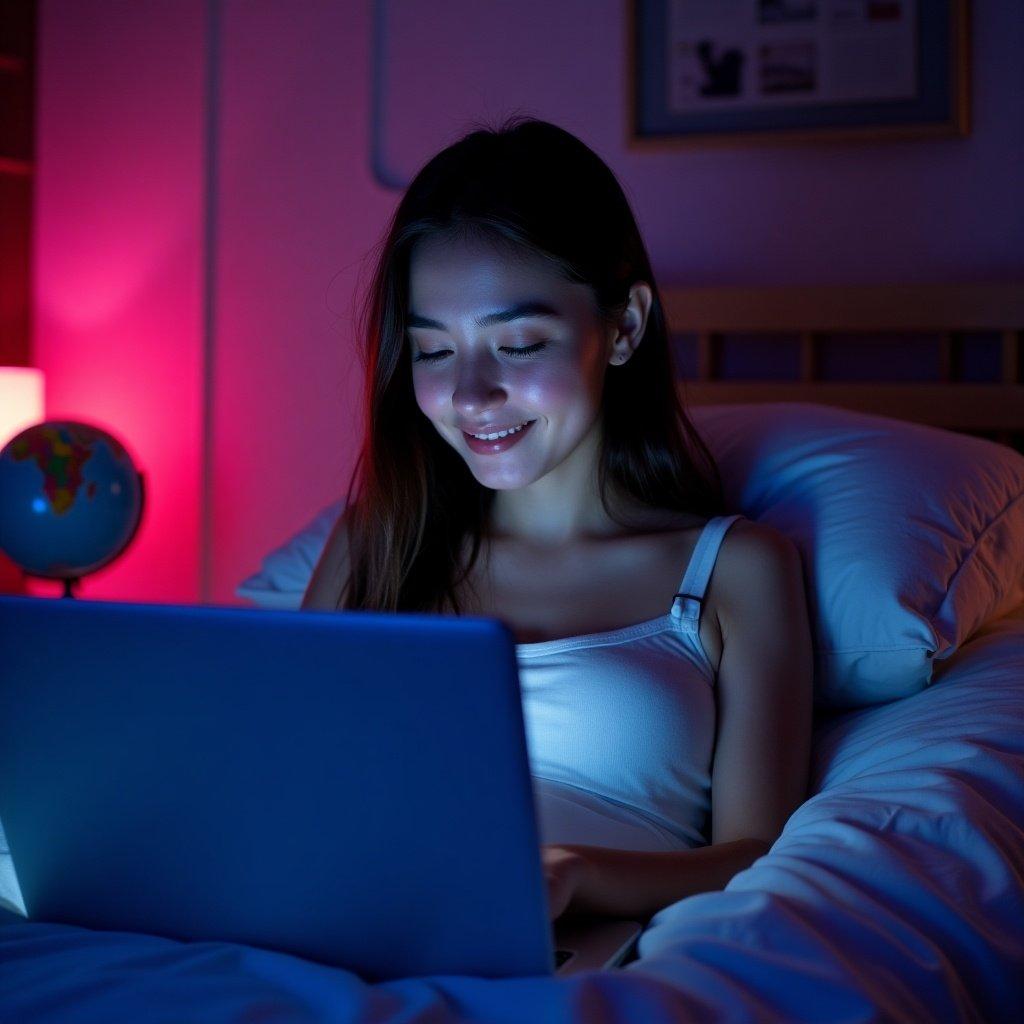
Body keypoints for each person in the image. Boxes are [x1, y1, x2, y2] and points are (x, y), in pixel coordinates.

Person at [302, 116, 814, 926]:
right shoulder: (380, 541)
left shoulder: (735, 570)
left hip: (575, 952)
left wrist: (574, 875)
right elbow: (283, 786)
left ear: (626, 327)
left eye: (518, 344)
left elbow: (756, 857)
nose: (471, 394)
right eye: (434, 352)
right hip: (349, 929)